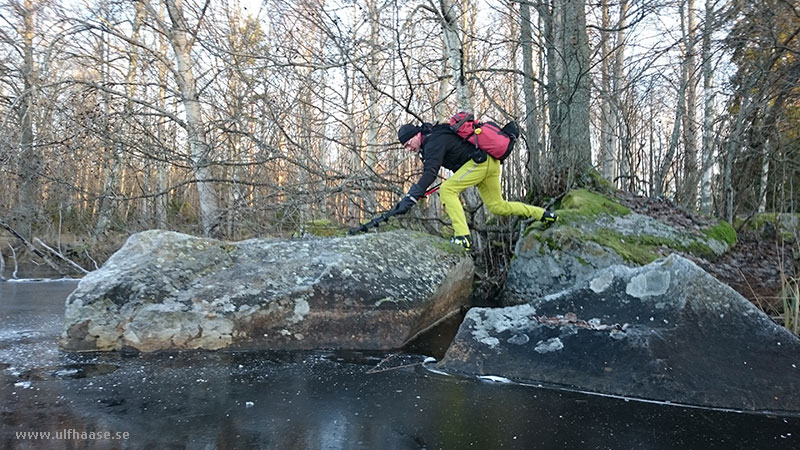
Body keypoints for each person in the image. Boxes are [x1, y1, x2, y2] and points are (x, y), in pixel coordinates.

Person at [392, 122, 557, 250]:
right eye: (405, 147)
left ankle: (463, 237)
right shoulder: (435, 136)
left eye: (408, 143)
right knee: (498, 206)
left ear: (416, 134)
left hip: (480, 163)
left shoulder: (433, 141)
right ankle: (544, 214)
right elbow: (433, 170)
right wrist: (417, 192)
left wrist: (413, 195)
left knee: (447, 189)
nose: (408, 149)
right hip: (490, 163)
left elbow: (430, 172)